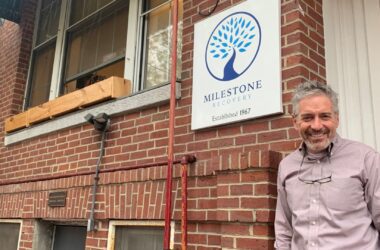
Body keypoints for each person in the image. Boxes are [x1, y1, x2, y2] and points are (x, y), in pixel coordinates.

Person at [274, 80, 380, 249]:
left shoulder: (366, 158)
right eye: (307, 117)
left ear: (336, 119)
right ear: (295, 122)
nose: (316, 126)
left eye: (324, 116)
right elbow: (284, 228)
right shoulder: (286, 166)